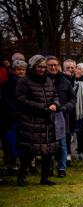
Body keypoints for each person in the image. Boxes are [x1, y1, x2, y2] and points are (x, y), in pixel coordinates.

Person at [16, 55, 60, 186]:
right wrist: (43, 108)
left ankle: (44, 178)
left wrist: (56, 104)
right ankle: (21, 176)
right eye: (39, 67)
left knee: (48, 151)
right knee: (28, 152)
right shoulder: (24, 81)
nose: (42, 69)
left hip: (47, 121)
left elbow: (55, 95)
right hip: (30, 121)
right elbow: (21, 100)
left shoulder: (48, 80)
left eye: (43, 67)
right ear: (33, 66)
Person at [47, 56, 76, 177]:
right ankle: (48, 168)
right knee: (48, 144)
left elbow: (73, 99)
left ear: (58, 66)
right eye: (50, 65)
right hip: (45, 115)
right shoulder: (43, 80)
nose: (53, 67)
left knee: (62, 143)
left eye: (55, 65)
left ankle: (61, 168)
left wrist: (66, 107)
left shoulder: (65, 81)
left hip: (62, 115)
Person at [1, 60, 26, 175]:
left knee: (22, 142)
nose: (21, 71)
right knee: (10, 142)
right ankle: (9, 164)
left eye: (23, 69)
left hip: (24, 117)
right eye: (18, 69)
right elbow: (7, 101)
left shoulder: (26, 83)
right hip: (12, 118)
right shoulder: (9, 84)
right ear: (13, 70)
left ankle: (21, 164)